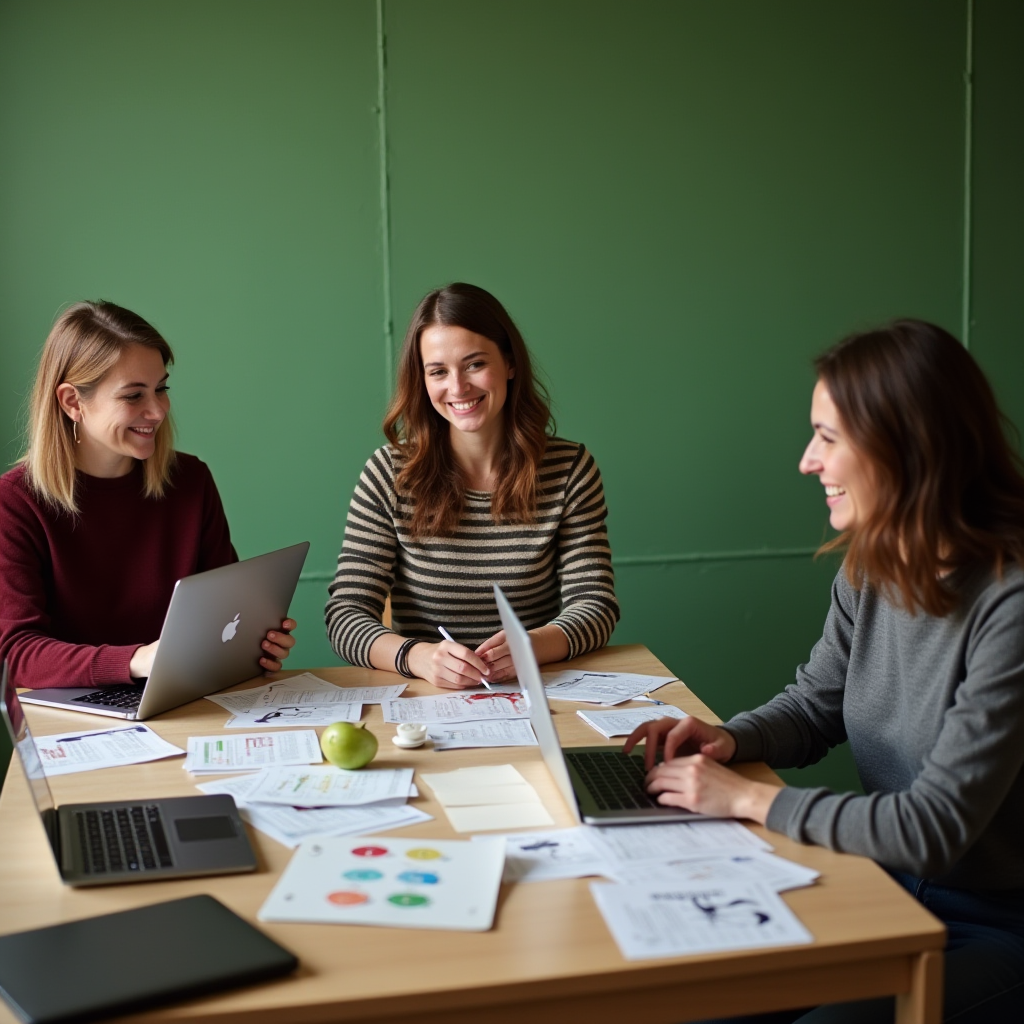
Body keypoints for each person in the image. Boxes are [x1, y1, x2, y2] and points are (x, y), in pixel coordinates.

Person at [625, 320, 1024, 1024]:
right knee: (692, 998)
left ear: (908, 448)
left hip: (995, 923)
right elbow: (816, 705)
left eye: (828, 438)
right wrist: (729, 740)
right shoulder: (872, 563)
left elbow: (932, 828)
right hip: (883, 885)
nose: (808, 461)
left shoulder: (1011, 602)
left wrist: (745, 800)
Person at [325, 282, 619, 688]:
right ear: (422, 380)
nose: (458, 387)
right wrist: (419, 657)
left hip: (540, 692)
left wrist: (529, 647)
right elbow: (345, 616)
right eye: (438, 372)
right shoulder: (388, 473)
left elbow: (596, 606)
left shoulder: (570, 469)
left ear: (510, 363)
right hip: (426, 698)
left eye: (475, 364)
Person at [0, 301, 296, 688]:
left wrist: (255, 643)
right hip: (75, 717)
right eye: (133, 396)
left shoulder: (191, 480)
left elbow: (225, 612)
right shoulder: (16, 503)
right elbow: (18, 653)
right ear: (73, 402)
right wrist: (137, 660)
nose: (158, 410)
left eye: (161, 388)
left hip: (183, 700)